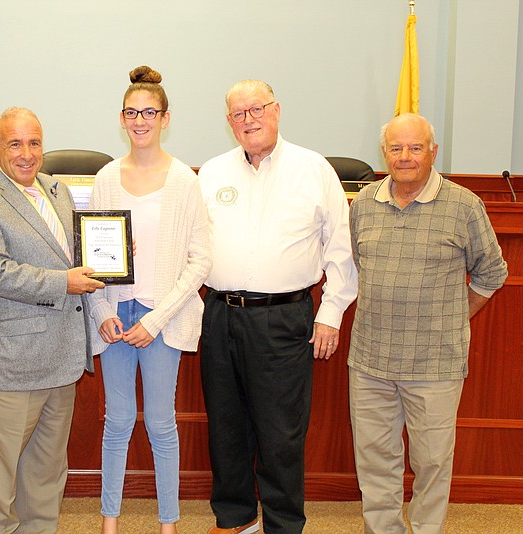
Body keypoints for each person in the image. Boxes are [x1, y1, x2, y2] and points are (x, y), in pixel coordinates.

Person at [197, 80, 358, 534]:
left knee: (280, 433)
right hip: (220, 313)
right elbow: (191, 246)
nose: (249, 119)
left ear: (277, 110)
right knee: (226, 427)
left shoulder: (313, 169)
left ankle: (284, 526)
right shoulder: (211, 172)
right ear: (229, 123)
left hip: (284, 317)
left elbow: (341, 247)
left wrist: (330, 314)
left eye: (257, 109)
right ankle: (235, 520)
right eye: (238, 113)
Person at [348, 113, 508, 534]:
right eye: (396, 148)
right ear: (384, 153)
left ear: (433, 152)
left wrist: (453, 315)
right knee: (375, 460)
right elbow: (359, 266)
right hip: (370, 362)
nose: (405, 157)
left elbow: (493, 272)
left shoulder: (464, 205)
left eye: (415, 148)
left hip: (435, 364)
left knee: (433, 462)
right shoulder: (363, 203)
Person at [0, 107, 104, 534]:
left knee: (46, 473)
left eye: (34, 142)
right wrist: (64, 283)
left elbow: (79, 254)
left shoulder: (57, 191)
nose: (26, 153)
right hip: (10, 363)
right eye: (15, 143)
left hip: (61, 356)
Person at [86, 66, 212, 534]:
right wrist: (100, 312)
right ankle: (109, 522)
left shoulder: (184, 181)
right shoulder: (105, 178)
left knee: (161, 424)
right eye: (132, 112)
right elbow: (90, 257)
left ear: (165, 118)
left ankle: (168, 525)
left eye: (149, 113)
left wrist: (156, 320)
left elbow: (200, 260)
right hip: (116, 316)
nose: (140, 121)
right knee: (116, 421)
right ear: (122, 118)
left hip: (164, 315)